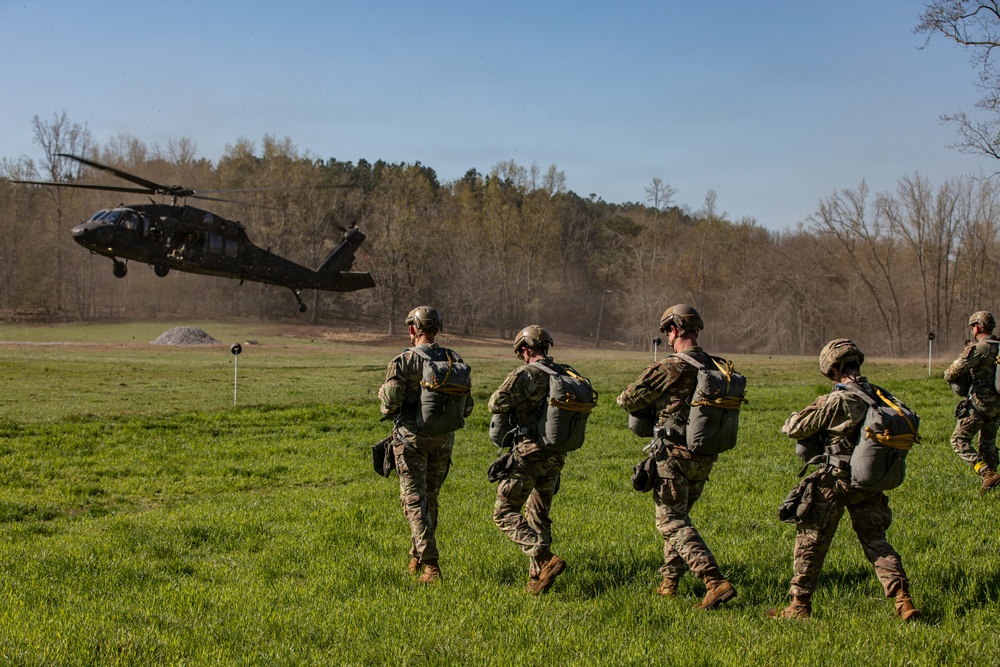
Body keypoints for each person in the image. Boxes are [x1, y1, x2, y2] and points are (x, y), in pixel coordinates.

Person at [768, 339, 919, 621]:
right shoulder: (879, 395)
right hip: (868, 483)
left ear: (834, 368)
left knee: (810, 542)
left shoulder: (838, 399)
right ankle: (903, 599)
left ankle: (798, 606)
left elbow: (794, 428)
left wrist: (795, 416)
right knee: (876, 542)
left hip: (835, 481)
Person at [616, 304, 737, 610]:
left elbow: (626, 399)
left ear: (674, 330)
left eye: (667, 332)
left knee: (670, 521)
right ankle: (669, 582)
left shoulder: (670, 366)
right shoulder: (717, 367)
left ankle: (714, 581)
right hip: (704, 457)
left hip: (673, 458)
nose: (667, 338)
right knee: (679, 519)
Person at [378, 306, 473, 584]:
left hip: (411, 441)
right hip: (443, 442)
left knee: (414, 502)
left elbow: (390, 403)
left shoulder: (403, 361)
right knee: (429, 499)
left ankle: (431, 566)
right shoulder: (453, 359)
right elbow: (466, 406)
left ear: (413, 330)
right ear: (436, 329)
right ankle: (416, 557)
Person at [489, 325, 588, 595]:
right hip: (555, 456)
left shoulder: (526, 373)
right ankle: (537, 582)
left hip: (529, 454)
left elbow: (496, 403)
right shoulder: (566, 372)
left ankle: (544, 559)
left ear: (524, 349)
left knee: (504, 512)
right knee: (538, 516)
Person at [944, 311, 1000, 494]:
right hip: (997, 405)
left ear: (977, 327)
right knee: (987, 444)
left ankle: (985, 472)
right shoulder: (998, 347)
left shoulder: (981, 348)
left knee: (958, 440)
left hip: (980, 404)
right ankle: (991, 485)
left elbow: (953, 371)